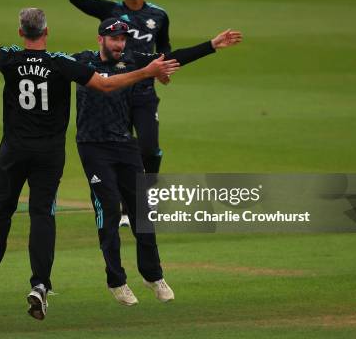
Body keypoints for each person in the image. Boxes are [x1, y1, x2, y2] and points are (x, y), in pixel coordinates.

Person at [0, 0, 181, 320]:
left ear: (22, 33)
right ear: (46, 32)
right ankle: (40, 285)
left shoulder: (10, 58)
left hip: (14, 150)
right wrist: (145, 72)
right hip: (49, 153)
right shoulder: (62, 63)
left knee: (0, 211)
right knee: (42, 215)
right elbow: (106, 85)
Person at [72, 18, 242, 305]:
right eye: (114, 39)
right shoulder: (82, 61)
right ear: (100, 39)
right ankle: (117, 281)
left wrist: (212, 45)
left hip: (125, 144)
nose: (120, 44)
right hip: (93, 147)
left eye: (123, 39)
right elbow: (54, 68)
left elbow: (172, 59)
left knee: (142, 211)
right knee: (110, 211)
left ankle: (153, 276)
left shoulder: (134, 60)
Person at [68, 0, 173, 227]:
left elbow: (165, 48)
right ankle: (128, 209)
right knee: (122, 147)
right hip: (117, 90)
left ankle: (147, 194)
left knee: (149, 148)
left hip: (144, 90)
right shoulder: (111, 11)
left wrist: (163, 69)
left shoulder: (159, 16)